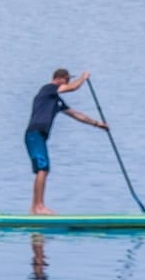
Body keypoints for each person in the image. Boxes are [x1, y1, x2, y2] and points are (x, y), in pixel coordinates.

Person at [26, 68, 108, 214]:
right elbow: (73, 88)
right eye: (67, 80)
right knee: (43, 169)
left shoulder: (55, 100)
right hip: (35, 133)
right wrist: (83, 78)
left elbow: (76, 114)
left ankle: (34, 209)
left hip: (37, 135)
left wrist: (97, 124)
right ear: (60, 78)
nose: (68, 83)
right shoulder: (48, 89)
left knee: (42, 169)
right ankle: (39, 207)